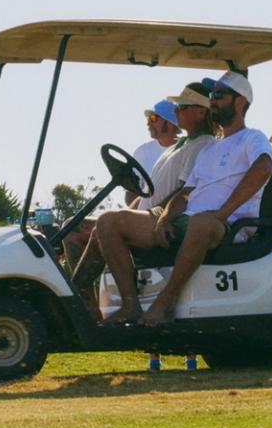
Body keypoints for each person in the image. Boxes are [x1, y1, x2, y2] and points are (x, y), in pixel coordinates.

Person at [98, 71, 272, 327]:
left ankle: (165, 303)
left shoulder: (252, 138)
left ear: (240, 102)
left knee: (201, 223)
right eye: (211, 95)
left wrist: (222, 214)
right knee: (108, 221)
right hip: (191, 219)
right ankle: (130, 305)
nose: (212, 101)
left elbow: (263, 167)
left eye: (219, 95)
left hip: (226, 224)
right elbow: (185, 192)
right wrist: (165, 217)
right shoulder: (211, 147)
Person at [83, 87, 217, 317]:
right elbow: (150, 192)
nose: (177, 111)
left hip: (163, 218)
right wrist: (132, 210)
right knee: (77, 230)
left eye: (182, 107)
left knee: (107, 222)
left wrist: (159, 213)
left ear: (200, 113)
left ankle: (130, 306)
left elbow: (184, 190)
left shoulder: (202, 145)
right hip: (151, 213)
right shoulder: (181, 144)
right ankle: (82, 303)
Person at [127, 101, 182, 208]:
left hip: (170, 213)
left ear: (170, 123)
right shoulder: (142, 152)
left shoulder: (186, 150)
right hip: (142, 213)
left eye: (153, 118)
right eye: (148, 119)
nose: (148, 124)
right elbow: (130, 193)